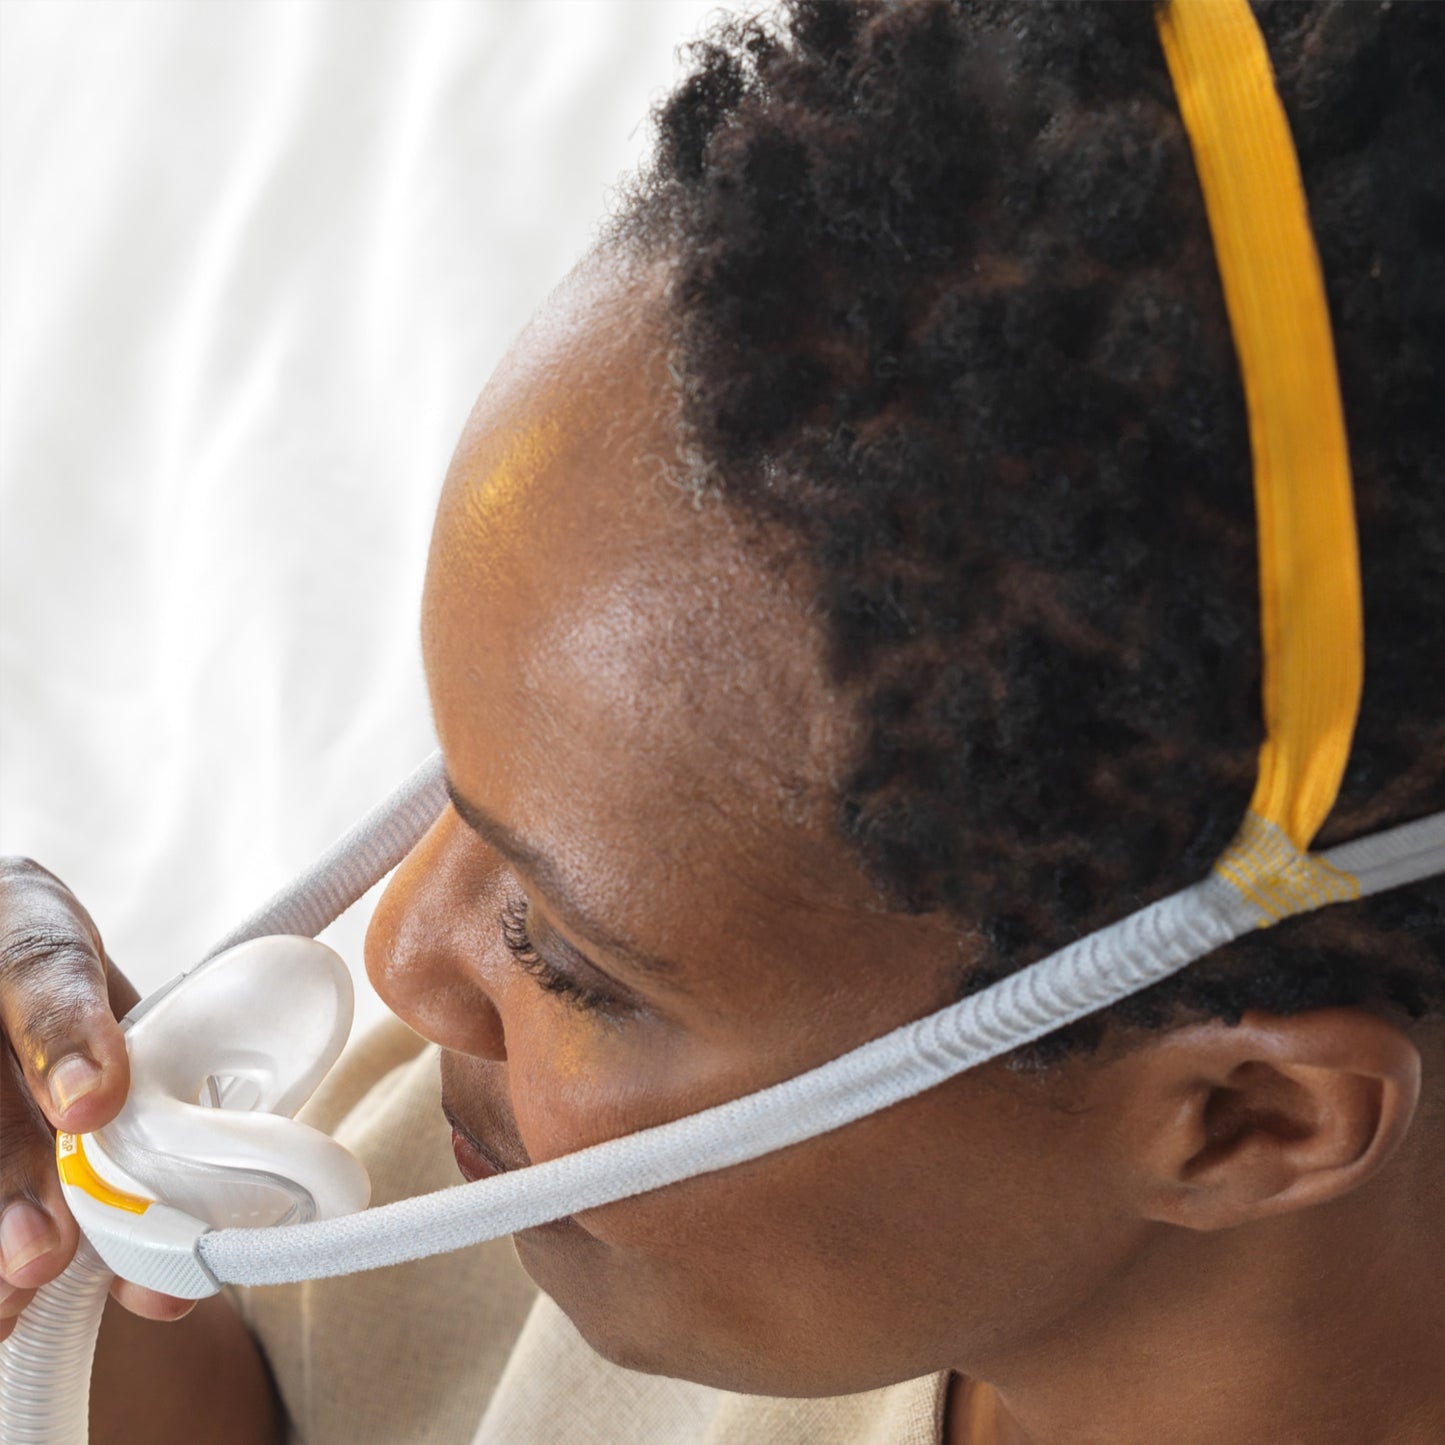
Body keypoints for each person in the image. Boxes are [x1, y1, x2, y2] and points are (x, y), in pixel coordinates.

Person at [2, 2, 1442, 1441]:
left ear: (1246, 1116)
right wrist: (74, 1296)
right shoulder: (505, 1193)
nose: (401, 955)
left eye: (561, 957)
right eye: (460, 783)